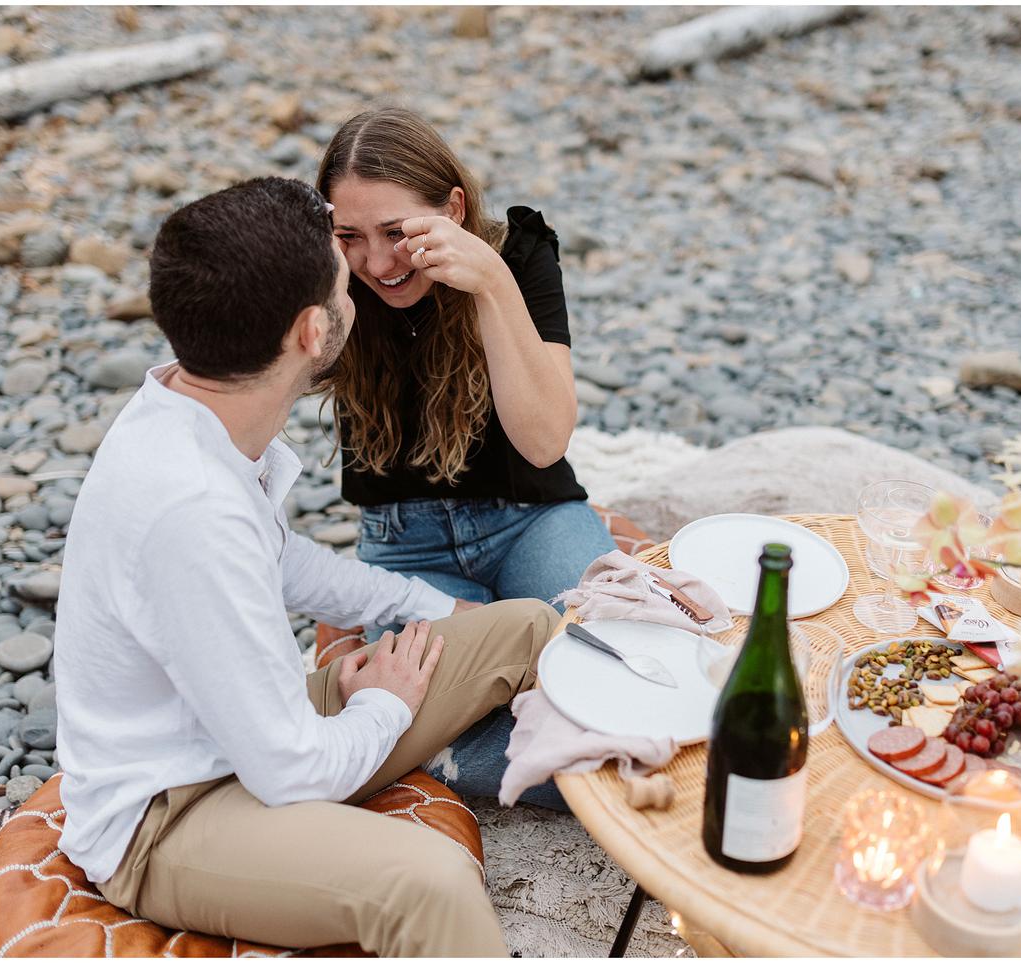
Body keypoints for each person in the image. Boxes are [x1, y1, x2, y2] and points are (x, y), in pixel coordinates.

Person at [53, 176, 555, 956]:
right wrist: (379, 707)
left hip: (253, 727)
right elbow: (291, 770)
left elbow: (286, 561)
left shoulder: (188, 409)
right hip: (173, 812)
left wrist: (431, 607)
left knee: (524, 626)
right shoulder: (190, 508)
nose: (359, 279)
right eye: (341, 273)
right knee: (431, 881)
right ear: (312, 332)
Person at [314, 106, 615, 620]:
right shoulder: (332, 277)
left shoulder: (519, 254)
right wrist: (320, 271)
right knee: (449, 693)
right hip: (407, 548)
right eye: (351, 236)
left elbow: (544, 443)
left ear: (453, 209)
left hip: (532, 519)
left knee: (607, 647)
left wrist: (491, 281)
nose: (380, 264)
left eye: (395, 232)